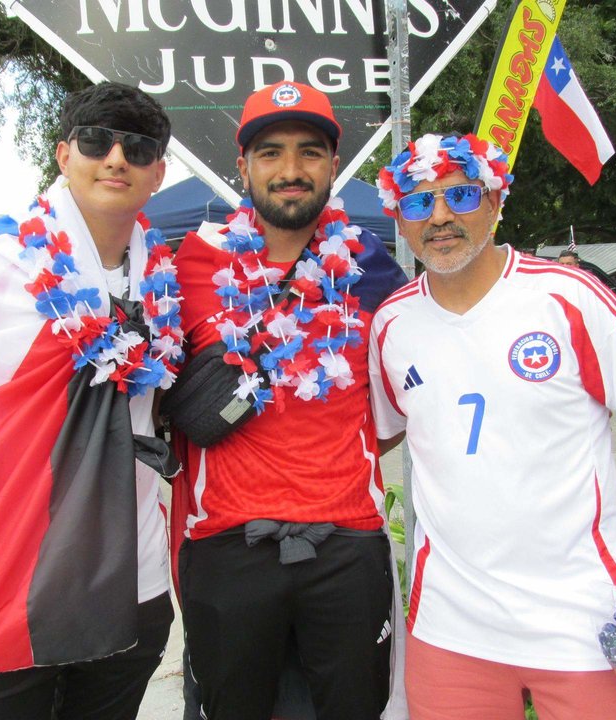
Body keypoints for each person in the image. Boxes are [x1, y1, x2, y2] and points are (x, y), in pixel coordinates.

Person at [370, 133, 616, 720]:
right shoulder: (391, 323)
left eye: (460, 194)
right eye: (416, 201)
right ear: (399, 220)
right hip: (451, 633)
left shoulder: (567, 297)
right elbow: (374, 436)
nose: (439, 216)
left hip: (586, 630)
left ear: (496, 200)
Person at [0, 82, 184, 720]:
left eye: (138, 146)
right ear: (63, 154)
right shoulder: (0, 266)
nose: (116, 159)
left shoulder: (163, 279)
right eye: (98, 141)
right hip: (11, 575)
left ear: (159, 169)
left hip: (131, 573)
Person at [170, 80, 408, 720]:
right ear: (243, 166)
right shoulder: (192, 262)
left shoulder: (373, 268)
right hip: (226, 546)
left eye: (309, 152)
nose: (291, 170)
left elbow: (395, 408)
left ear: (334, 164)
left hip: (348, 544)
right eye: (270, 152)